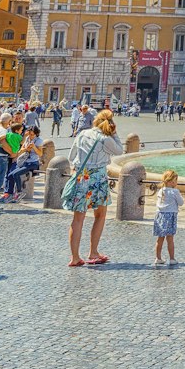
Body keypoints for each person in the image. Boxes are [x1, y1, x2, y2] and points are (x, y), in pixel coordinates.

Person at [63, 110, 121, 267]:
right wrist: (114, 134)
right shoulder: (105, 138)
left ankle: (75, 257)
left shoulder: (82, 134)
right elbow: (120, 150)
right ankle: (93, 252)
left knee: (78, 218)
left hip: (82, 176)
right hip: (98, 178)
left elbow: (71, 156)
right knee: (100, 215)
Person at [153, 168, 183, 265]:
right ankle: (172, 259)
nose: (176, 183)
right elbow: (181, 203)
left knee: (160, 238)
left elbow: (158, 204)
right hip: (170, 216)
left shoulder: (161, 191)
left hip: (160, 216)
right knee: (170, 239)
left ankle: (158, 258)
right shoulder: (175, 192)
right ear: (171, 181)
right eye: (175, 181)